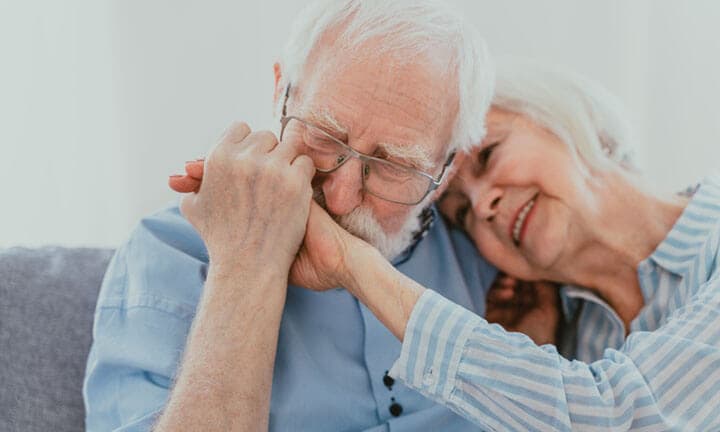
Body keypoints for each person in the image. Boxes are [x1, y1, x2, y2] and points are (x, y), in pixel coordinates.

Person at [82, 1, 498, 431]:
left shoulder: (483, 253)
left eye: (394, 164)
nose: (340, 197)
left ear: (448, 169)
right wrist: (244, 264)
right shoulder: (170, 253)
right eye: (323, 136)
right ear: (281, 92)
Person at [260, 59, 719, 431]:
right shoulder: (579, 332)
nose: (483, 207)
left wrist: (353, 265)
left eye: (490, 155)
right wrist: (545, 344)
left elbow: (623, 416)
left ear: (558, 115)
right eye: (461, 215)